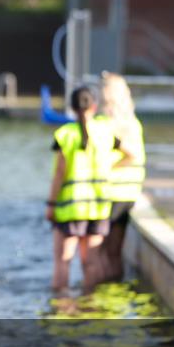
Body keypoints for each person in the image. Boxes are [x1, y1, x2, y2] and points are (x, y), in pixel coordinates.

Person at [46, 86, 132, 295]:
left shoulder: (65, 135)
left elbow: (60, 173)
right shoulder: (105, 132)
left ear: (72, 108)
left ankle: (62, 309)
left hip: (69, 208)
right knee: (92, 262)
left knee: (62, 262)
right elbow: (130, 156)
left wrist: (51, 204)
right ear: (94, 106)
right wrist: (108, 170)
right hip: (98, 207)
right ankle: (91, 307)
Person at [99, 72, 146, 282]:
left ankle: (101, 290)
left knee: (102, 251)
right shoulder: (132, 122)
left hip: (113, 193)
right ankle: (112, 290)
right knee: (113, 250)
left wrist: (104, 170)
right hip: (127, 192)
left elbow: (132, 155)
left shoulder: (113, 124)